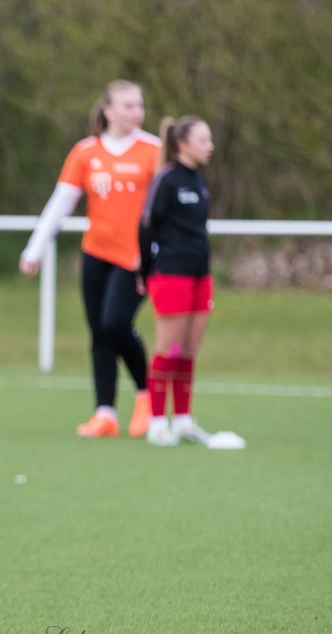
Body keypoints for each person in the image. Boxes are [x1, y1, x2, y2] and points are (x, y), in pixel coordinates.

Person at [20, 80, 162, 438]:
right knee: (99, 332)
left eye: (139, 106)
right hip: (96, 253)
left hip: (136, 259)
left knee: (116, 323)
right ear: (108, 110)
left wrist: (156, 253)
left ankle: (147, 398)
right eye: (128, 105)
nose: (136, 112)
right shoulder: (86, 152)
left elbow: (165, 210)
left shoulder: (153, 151)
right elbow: (61, 203)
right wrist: (34, 250)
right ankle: (105, 413)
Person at [139, 116, 228, 447]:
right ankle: (158, 422)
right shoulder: (167, 179)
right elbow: (146, 225)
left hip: (200, 277)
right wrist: (145, 270)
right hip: (171, 274)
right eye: (204, 140)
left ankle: (184, 420)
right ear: (183, 144)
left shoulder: (199, 180)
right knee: (169, 350)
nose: (211, 146)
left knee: (188, 351)